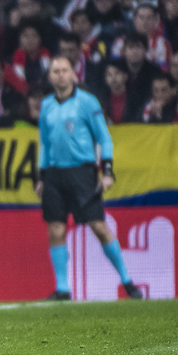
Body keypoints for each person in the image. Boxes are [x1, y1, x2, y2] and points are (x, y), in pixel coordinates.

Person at [35, 56, 141, 302]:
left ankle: (127, 281)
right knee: (56, 228)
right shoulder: (47, 105)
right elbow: (44, 143)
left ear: (73, 74)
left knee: (98, 226)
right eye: (56, 71)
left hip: (82, 172)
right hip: (54, 174)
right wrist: (41, 176)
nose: (60, 75)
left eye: (64, 70)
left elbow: (104, 138)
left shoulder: (87, 102)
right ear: (50, 77)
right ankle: (63, 288)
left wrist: (107, 171)